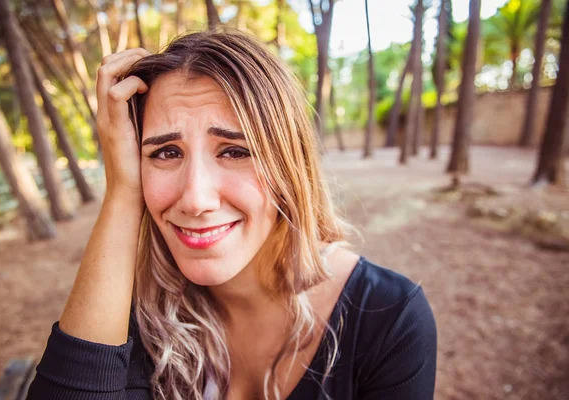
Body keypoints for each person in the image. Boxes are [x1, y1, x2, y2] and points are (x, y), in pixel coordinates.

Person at [26, 31, 437, 400]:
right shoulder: (130, 310)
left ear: (289, 165)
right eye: (166, 152)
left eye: (235, 151)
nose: (196, 199)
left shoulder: (390, 319)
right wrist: (121, 192)